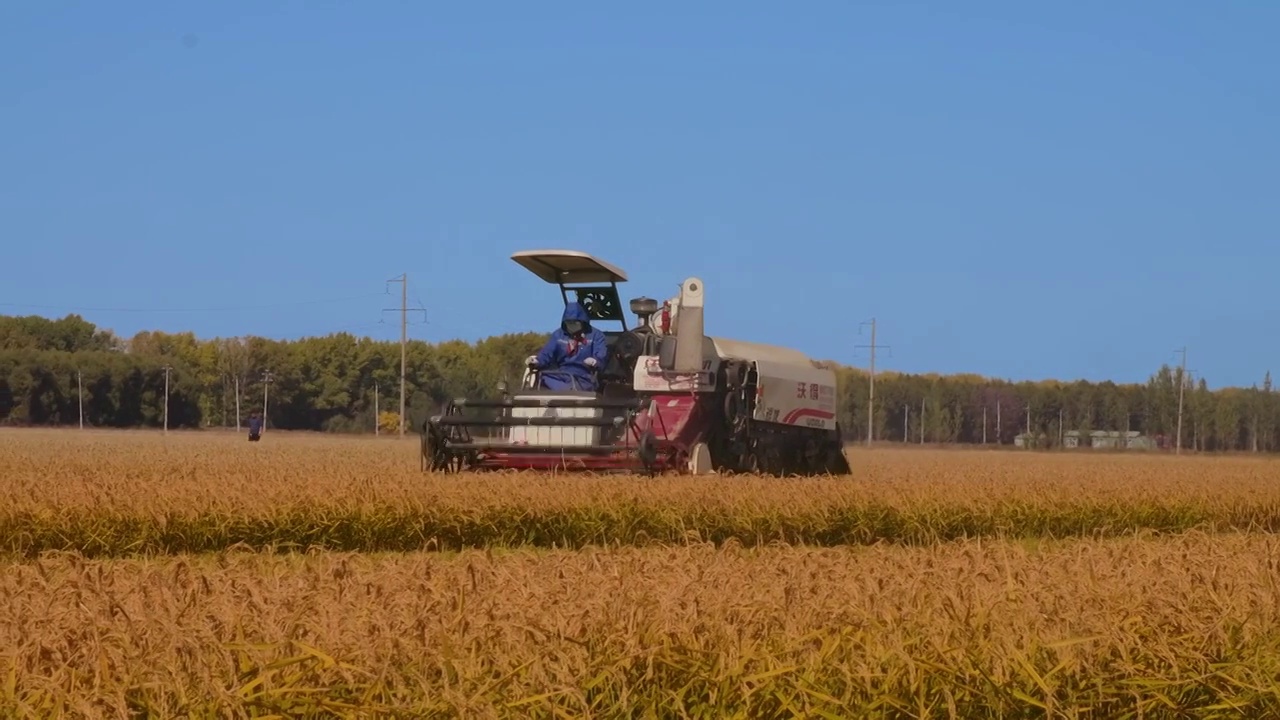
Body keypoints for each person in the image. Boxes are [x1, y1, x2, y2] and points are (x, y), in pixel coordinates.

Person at [527, 301, 609, 391]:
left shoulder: (595, 335)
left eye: (575, 323)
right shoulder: (558, 335)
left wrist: (595, 361)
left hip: (584, 376)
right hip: (560, 374)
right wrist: (536, 361)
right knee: (541, 378)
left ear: (582, 322)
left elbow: (601, 355)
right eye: (569, 323)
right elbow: (547, 353)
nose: (572, 326)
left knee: (572, 386)